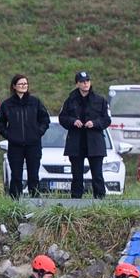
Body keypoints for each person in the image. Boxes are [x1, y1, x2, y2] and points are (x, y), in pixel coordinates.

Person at [57, 70, 111, 199]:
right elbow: (62, 118)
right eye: (82, 82)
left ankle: (100, 201)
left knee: (97, 175)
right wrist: (73, 121)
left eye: (87, 81)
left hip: (95, 143)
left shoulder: (100, 100)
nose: (85, 84)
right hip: (76, 142)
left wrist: (95, 123)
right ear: (77, 84)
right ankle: (76, 201)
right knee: (77, 175)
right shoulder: (70, 100)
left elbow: (107, 119)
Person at [0, 74, 51, 199]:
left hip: (33, 144)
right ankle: (14, 203)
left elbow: (45, 119)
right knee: (16, 175)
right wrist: (8, 135)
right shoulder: (7, 104)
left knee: (33, 175)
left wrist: (38, 132)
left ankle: (35, 202)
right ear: (14, 86)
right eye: (21, 84)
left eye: (25, 84)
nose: (23, 86)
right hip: (15, 145)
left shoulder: (35, 102)